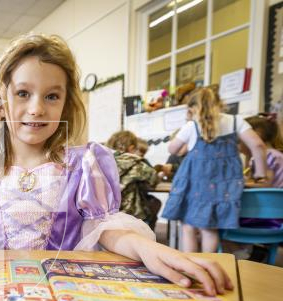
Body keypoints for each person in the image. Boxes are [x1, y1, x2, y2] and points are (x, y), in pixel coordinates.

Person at [0, 34, 232, 296]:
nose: (36, 109)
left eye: (51, 96)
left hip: (64, 290)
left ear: (66, 103)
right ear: (0, 100)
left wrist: (148, 249)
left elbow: (102, 227)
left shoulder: (84, 163)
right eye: (23, 93)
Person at [162, 87, 268, 254]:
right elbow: (258, 145)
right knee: (210, 228)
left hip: (195, 182)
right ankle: (209, 266)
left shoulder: (192, 126)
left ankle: (190, 266)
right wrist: (260, 173)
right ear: (220, 103)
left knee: (188, 227)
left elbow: (172, 149)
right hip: (223, 184)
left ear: (193, 108)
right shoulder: (236, 121)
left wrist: (183, 144)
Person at [106, 130, 161, 230]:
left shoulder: (101, 160)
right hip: (129, 212)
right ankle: (146, 236)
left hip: (105, 211)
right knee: (153, 204)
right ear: (131, 148)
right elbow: (154, 179)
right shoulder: (135, 162)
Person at [243, 113, 283, 188]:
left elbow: (265, 184)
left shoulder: (267, 156)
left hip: (276, 198)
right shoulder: (271, 154)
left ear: (257, 134)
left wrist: (239, 185)